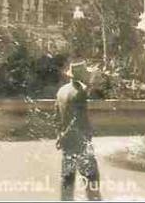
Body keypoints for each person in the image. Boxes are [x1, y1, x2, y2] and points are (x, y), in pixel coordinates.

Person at [55, 61, 101, 201]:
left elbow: (56, 116)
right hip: (80, 141)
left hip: (66, 141)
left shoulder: (62, 90)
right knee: (92, 177)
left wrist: (60, 136)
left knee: (67, 178)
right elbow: (77, 119)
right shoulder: (79, 93)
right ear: (80, 75)